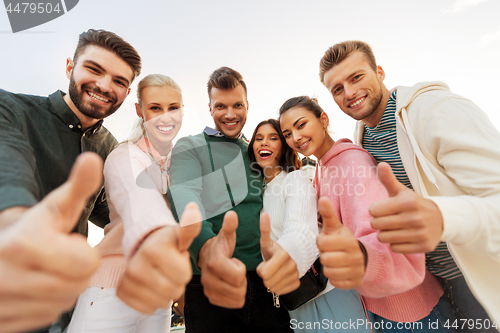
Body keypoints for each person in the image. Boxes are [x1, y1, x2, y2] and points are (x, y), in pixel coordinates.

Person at [318, 40, 500, 331]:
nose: (349, 93)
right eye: (337, 89)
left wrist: (441, 218)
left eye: (356, 77)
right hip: (431, 287)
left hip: (477, 277)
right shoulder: (363, 136)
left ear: (380, 72)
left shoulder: (437, 111)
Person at [279, 96, 452, 332]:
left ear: (323, 120)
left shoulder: (352, 162)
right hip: (376, 305)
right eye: (287, 133)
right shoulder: (322, 168)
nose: (296, 138)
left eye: (301, 125)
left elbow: (382, 233)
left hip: (406, 309)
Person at [66, 74, 200, 332]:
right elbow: (142, 207)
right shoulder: (124, 157)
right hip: (111, 290)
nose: (165, 117)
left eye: (173, 108)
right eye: (155, 108)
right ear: (139, 110)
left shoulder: (182, 162)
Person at [167, 67, 293, 332]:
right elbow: (184, 194)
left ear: (247, 105)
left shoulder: (258, 151)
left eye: (237, 105)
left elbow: (284, 187)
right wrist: (206, 248)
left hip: (264, 283)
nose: (230, 114)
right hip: (208, 280)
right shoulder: (190, 146)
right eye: (220, 106)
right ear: (210, 108)